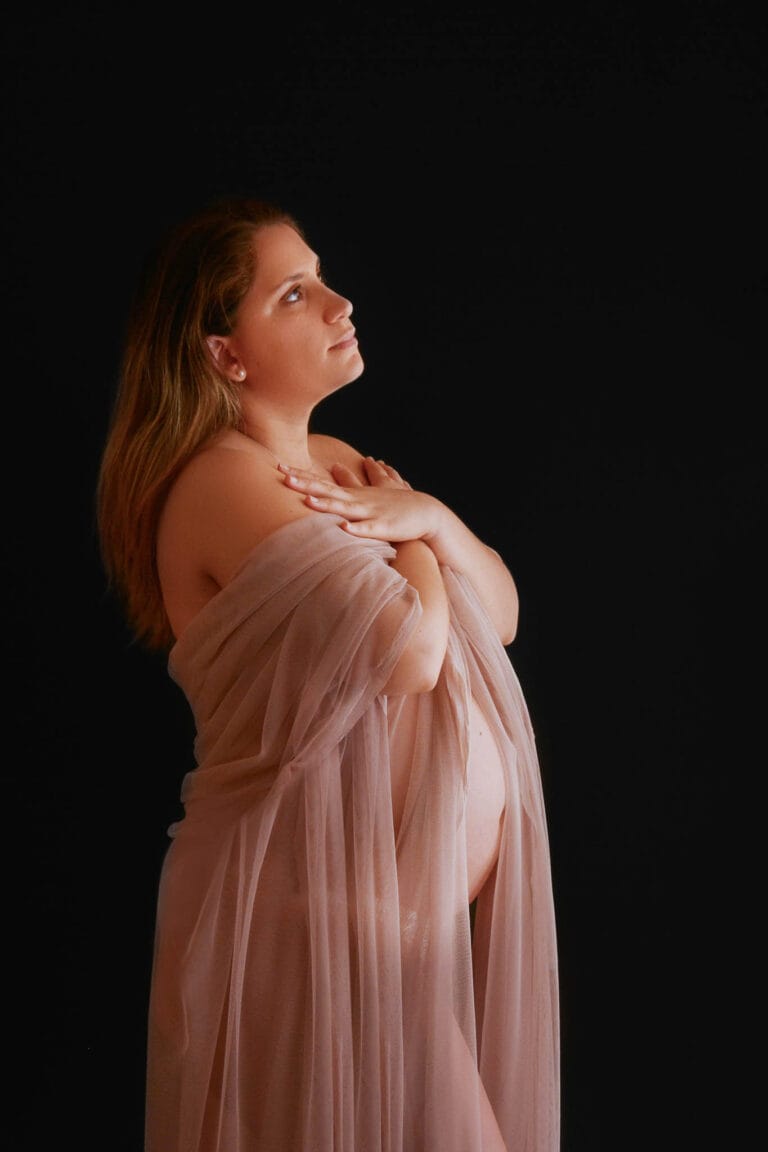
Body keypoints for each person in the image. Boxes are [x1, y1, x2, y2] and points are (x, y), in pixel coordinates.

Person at [96, 196, 560, 1152]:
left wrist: (426, 515)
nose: (339, 304)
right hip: (298, 924)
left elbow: (503, 613)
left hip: (381, 933)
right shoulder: (220, 481)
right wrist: (411, 532)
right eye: (294, 294)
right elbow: (410, 652)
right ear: (226, 355)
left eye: (320, 278)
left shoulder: (335, 461)